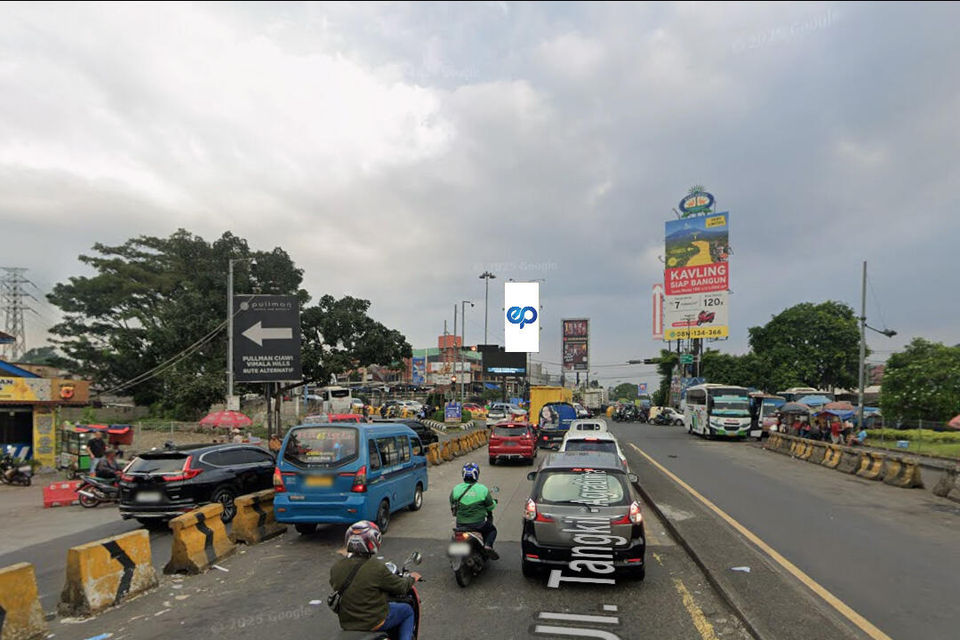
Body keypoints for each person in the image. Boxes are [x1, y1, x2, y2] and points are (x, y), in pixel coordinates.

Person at [329, 521, 421, 640]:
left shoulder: (336, 567)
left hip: (348, 623)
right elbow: (401, 587)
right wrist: (412, 578)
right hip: (373, 622)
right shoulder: (376, 567)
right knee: (407, 611)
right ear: (373, 541)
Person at [449, 462, 498, 559]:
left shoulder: (456, 489)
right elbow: (490, 507)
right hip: (478, 524)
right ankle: (488, 545)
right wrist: (495, 502)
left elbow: (452, 505)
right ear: (476, 474)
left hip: (461, 525)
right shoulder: (483, 489)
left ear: (463, 474)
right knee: (492, 530)